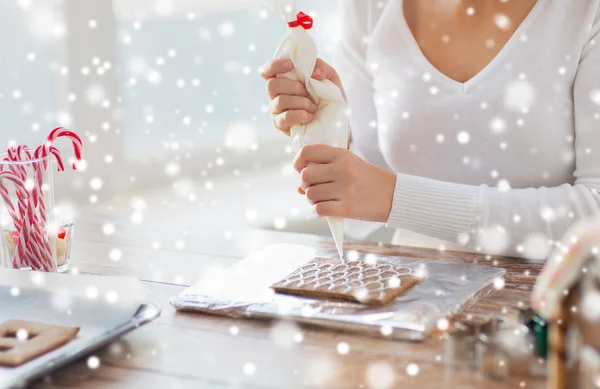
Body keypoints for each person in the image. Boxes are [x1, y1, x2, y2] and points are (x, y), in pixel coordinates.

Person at [260, 0, 600, 259]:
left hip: (561, 323)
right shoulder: (369, 9)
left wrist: (396, 198)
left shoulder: (585, 12)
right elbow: (362, 216)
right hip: (415, 307)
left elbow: (595, 214)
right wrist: (326, 129)